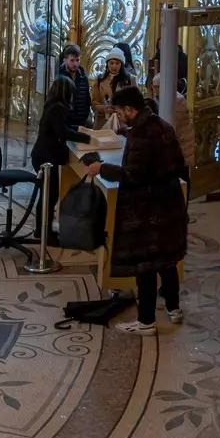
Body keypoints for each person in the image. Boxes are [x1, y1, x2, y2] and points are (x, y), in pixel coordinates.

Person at [81, 85, 189, 334]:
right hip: (169, 205)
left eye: (120, 111)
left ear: (130, 109)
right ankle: (174, 309)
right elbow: (178, 163)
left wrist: (102, 168)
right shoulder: (162, 125)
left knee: (146, 264)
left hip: (148, 209)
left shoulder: (142, 134)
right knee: (167, 260)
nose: (119, 115)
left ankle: (146, 321)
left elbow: (133, 175)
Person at [56, 45, 92, 132]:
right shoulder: (59, 77)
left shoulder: (83, 77)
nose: (75, 64)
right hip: (65, 122)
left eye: (77, 60)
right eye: (72, 60)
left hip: (81, 121)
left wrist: (85, 115)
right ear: (65, 60)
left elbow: (87, 98)